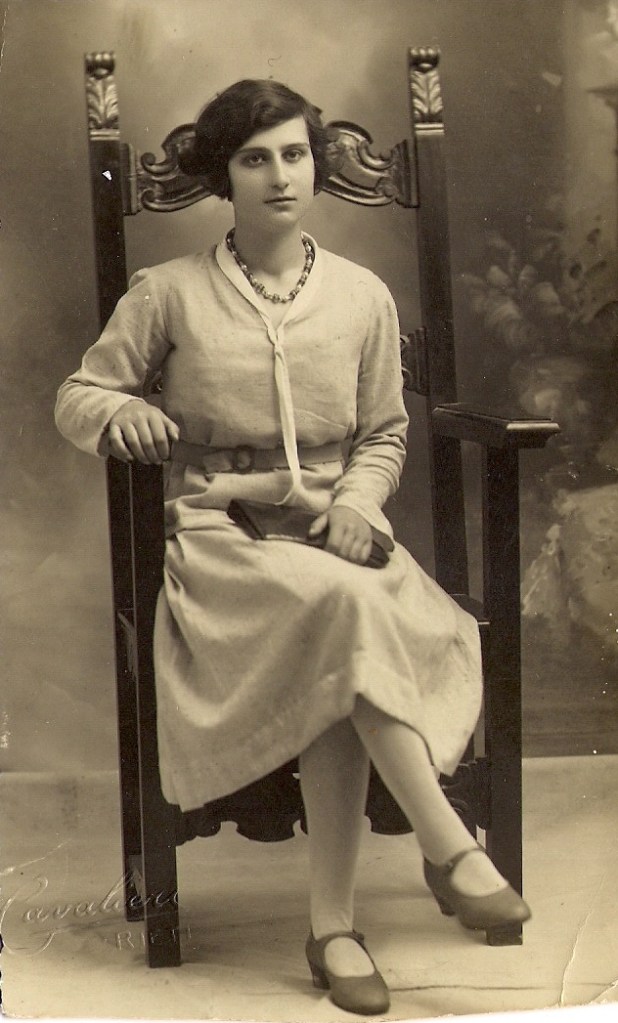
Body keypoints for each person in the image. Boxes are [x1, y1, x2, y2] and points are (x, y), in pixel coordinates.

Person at [55, 79, 530, 1016]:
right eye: (255, 158)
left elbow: (385, 433)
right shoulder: (168, 293)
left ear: (317, 166)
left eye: (295, 154)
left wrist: (357, 501)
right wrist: (122, 413)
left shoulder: (362, 295)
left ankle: (334, 927)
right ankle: (448, 847)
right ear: (223, 177)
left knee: (339, 613)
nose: (280, 176)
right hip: (222, 539)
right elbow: (79, 395)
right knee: (340, 609)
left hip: (334, 533)